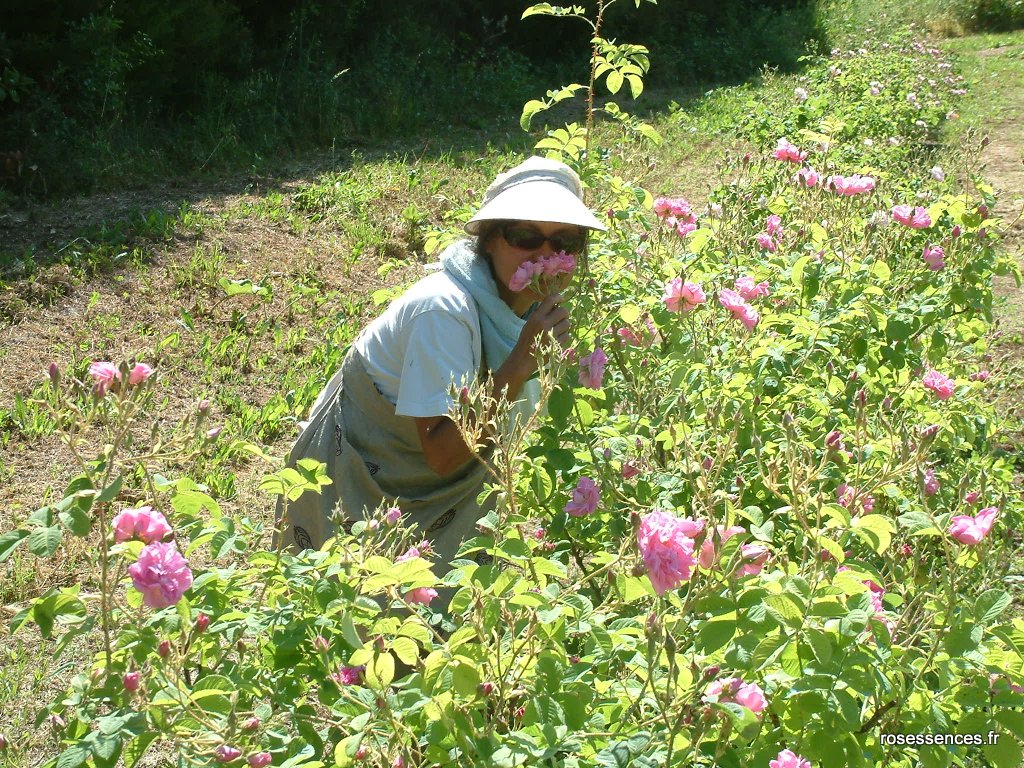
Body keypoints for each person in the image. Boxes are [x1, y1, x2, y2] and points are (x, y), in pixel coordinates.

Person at [276, 156, 606, 566]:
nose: (545, 255)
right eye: (525, 236)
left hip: (428, 500)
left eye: (565, 243)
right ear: (488, 240)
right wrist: (523, 361)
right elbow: (443, 454)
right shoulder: (444, 311)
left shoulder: (518, 311)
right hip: (358, 488)